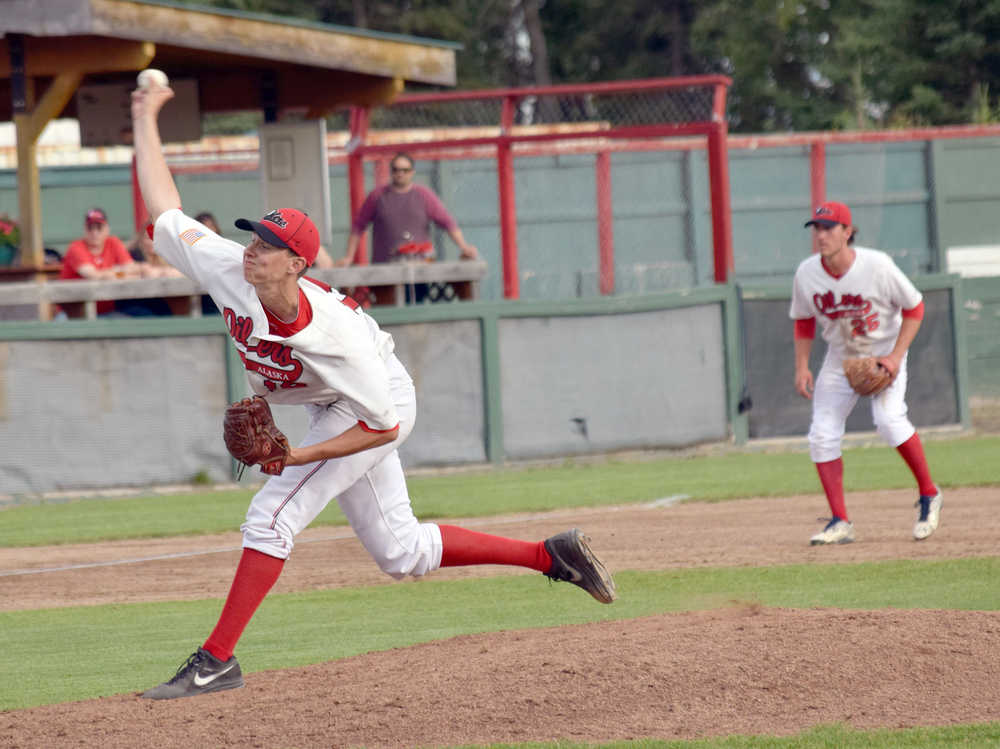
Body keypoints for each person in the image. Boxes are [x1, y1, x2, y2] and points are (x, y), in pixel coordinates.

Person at [131, 81, 615, 700]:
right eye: (253, 238)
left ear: (297, 265)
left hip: (374, 399)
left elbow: (382, 426)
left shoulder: (334, 335)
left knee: (272, 513)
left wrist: (297, 457)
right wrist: (147, 117)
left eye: (269, 247)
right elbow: (164, 213)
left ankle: (216, 660)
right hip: (330, 402)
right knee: (401, 551)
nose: (252, 251)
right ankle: (552, 556)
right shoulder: (230, 267)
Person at [790, 201, 942, 545]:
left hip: (884, 353)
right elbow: (803, 320)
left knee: (889, 421)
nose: (821, 235)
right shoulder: (806, 273)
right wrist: (802, 366)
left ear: (848, 232)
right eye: (817, 228)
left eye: (829, 228)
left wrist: (895, 356)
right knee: (822, 433)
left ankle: (929, 494)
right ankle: (840, 521)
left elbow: (915, 307)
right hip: (840, 358)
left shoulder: (877, 266)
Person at [336, 153, 478, 302]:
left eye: (405, 170)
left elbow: (448, 223)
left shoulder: (424, 195)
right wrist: (349, 257)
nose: (400, 173)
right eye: (396, 169)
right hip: (385, 269)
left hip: (419, 268)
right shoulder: (377, 196)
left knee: (419, 303)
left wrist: (464, 247)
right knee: (387, 306)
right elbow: (358, 227)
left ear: (412, 172)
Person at [59, 207, 141, 316]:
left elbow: (134, 270)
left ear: (107, 229)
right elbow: (94, 275)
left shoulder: (113, 242)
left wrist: (114, 273)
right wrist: (119, 272)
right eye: (90, 228)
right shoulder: (76, 247)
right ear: (85, 230)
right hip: (74, 315)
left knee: (146, 315)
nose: (94, 233)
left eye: (99, 228)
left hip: (108, 311)